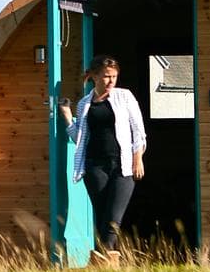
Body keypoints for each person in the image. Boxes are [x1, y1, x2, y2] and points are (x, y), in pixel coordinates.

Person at [58, 55, 146, 252]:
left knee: (113, 218)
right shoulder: (84, 104)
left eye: (114, 76)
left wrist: (137, 157)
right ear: (94, 77)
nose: (111, 81)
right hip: (95, 167)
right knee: (103, 218)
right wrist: (66, 116)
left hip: (122, 166)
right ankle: (110, 267)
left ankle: (100, 260)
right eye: (106, 76)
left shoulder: (125, 97)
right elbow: (79, 137)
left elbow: (138, 129)